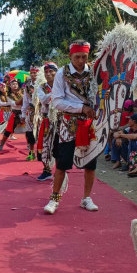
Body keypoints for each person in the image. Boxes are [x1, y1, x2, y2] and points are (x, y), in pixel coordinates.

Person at [43, 39, 99, 214]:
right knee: (62, 164)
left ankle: (86, 198)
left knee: (90, 164)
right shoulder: (61, 73)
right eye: (77, 57)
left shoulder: (95, 73)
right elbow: (57, 101)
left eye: (84, 57)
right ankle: (54, 198)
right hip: (68, 124)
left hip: (90, 124)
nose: (81, 61)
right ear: (70, 56)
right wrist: (81, 108)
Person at [35, 62, 57, 181]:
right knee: (45, 145)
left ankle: (60, 170)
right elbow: (43, 99)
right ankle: (47, 170)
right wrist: (56, 94)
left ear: (56, 72)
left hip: (61, 119)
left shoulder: (62, 85)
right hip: (47, 119)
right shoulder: (41, 87)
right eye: (46, 72)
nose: (48, 74)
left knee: (60, 145)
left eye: (51, 71)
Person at [0, 79, 24, 150]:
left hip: (24, 113)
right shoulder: (9, 95)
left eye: (16, 84)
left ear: (18, 85)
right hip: (15, 114)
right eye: (13, 84)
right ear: (10, 86)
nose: (15, 85)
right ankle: (1, 144)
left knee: (29, 130)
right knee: (8, 131)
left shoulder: (22, 93)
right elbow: (16, 103)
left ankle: (29, 145)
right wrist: (24, 98)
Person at [22, 65, 40, 160]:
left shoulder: (43, 84)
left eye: (35, 73)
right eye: (32, 73)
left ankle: (42, 152)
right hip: (31, 111)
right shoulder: (27, 85)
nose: (33, 75)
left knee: (41, 132)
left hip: (41, 111)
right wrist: (23, 113)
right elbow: (25, 100)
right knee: (30, 133)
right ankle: (32, 153)